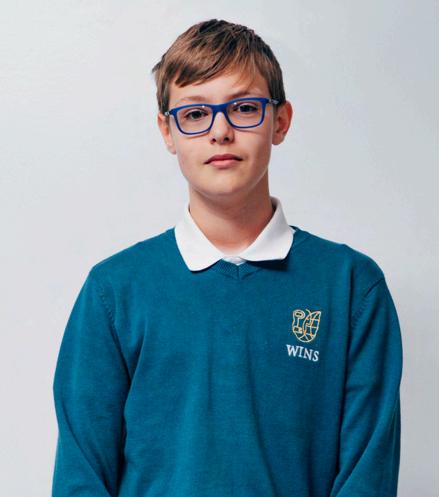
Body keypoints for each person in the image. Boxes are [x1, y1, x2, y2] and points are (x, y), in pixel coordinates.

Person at [51, 18, 403, 497]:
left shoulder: (352, 288)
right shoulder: (113, 292)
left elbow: (368, 478)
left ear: (280, 121)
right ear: (167, 131)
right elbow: (81, 478)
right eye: (195, 113)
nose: (220, 131)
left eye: (244, 108)